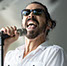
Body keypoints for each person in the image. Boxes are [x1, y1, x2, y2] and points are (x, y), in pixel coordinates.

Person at [0, 1, 67, 66]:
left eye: (37, 12)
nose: (30, 15)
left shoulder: (53, 52)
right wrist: (5, 45)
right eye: (26, 13)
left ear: (48, 24)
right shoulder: (11, 55)